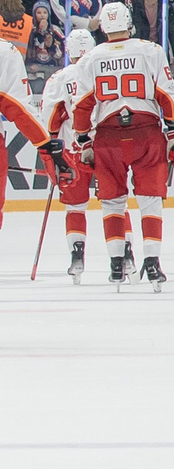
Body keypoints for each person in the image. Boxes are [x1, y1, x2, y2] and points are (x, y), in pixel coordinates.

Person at [65, 0, 174, 289]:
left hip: (108, 135)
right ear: (129, 22)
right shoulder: (150, 50)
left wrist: (82, 139)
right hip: (146, 132)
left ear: (103, 27)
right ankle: (152, 263)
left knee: (113, 201)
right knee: (150, 200)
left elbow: (81, 106)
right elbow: (166, 95)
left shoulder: (91, 57)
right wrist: (172, 131)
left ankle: (116, 264)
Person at [35, 28, 96, 283]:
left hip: (73, 151)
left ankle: (77, 256)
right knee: (116, 202)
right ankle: (124, 256)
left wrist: (50, 151)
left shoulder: (60, 78)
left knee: (75, 206)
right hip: (105, 147)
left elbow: (48, 120)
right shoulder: (102, 70)